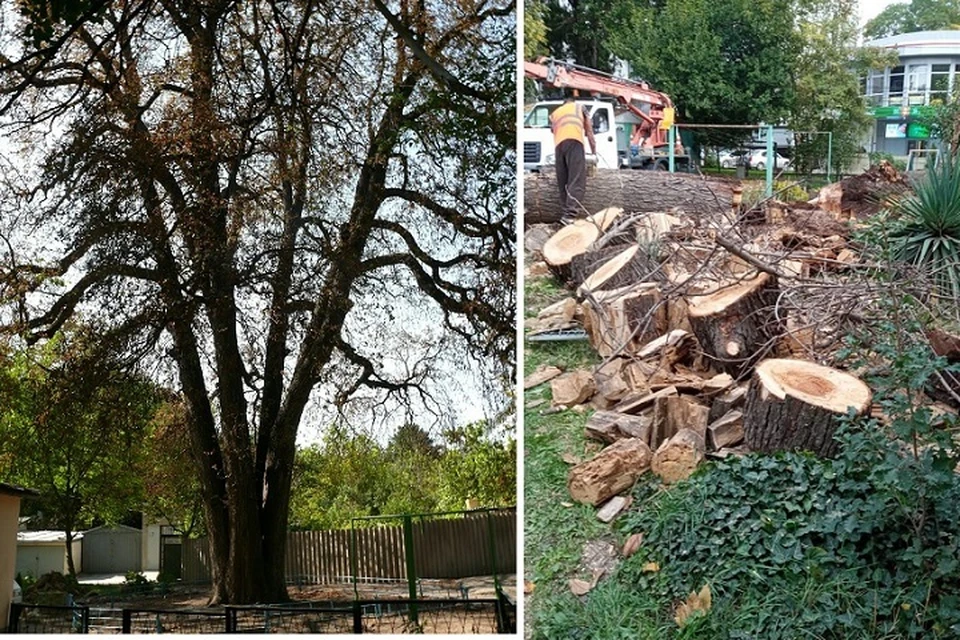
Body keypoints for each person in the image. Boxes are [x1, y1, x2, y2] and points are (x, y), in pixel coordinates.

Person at [549, 97, 596, 224]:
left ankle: (565, 214)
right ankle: (570, 214)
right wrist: (594, 152)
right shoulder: (580, 107)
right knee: (576, 178)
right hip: (575, 142)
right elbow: (589, 132)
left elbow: (553, 130)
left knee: (563, 181)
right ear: (572, 102)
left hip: (559, 146)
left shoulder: (555, 113)